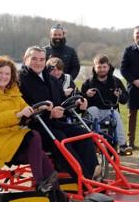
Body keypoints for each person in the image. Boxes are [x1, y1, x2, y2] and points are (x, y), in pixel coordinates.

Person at [0, 56, 57, 193]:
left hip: (8, 135)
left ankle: (55, 191)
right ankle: (41, 183)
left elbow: (26, 108)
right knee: (33, 136)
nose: (3, 77)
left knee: (38, 152)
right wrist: (17, 114)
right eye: (0, 73)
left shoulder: (12, 91)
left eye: (7, 74)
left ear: (11, 76)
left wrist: (40, 108)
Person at [19, 46, 99, 180]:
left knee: (83, 134)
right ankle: (83, 179)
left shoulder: (52, 79)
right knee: (61, 138)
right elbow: (22, 108)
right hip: (34, 127)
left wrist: (79, 105)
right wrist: (49, 114)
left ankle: (92, 174)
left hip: (54, 123)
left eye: (41, 59)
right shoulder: (20, 80)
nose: (38, 63)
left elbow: (62, 103)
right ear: (25, 59)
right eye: (34, 59)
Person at [81, 54, 132, 155]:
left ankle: (122, 145)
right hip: (94, 113)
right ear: (95, 68)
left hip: (109, 111)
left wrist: (120, 95)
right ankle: (93, 141)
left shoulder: (116, 81)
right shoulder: (88, 83)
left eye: (104, 67)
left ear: (108, 67)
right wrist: (86, 95)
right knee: (93, 109)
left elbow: (124, 100)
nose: (102, 70)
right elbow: (80, 102)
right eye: (99, 67)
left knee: (116, 115)